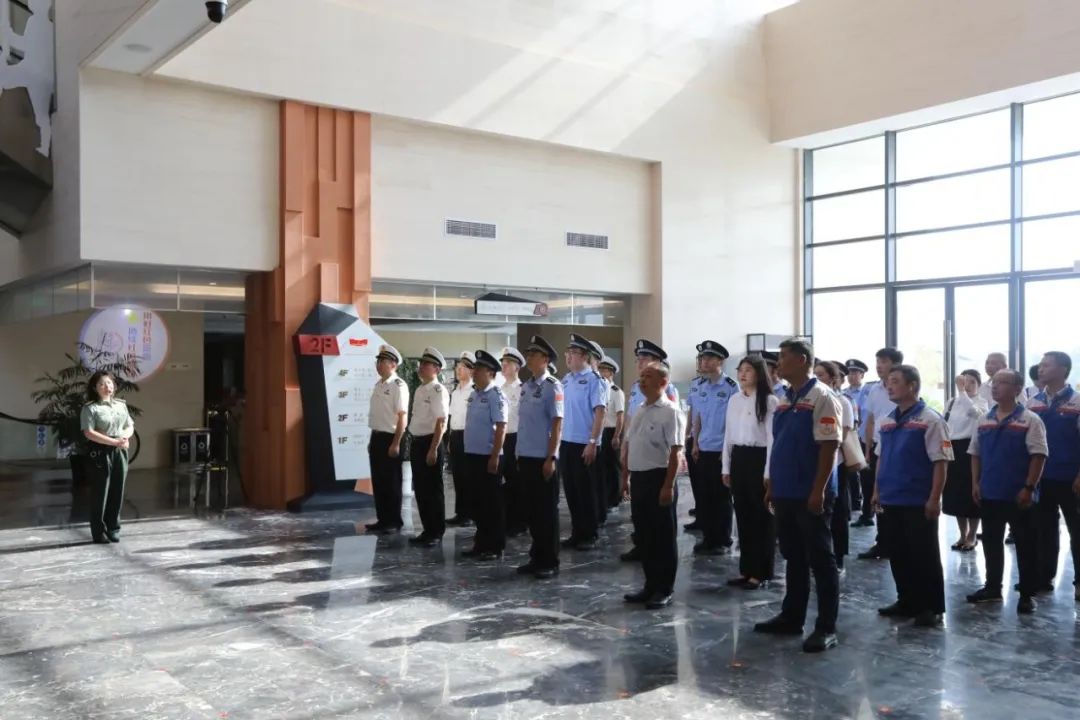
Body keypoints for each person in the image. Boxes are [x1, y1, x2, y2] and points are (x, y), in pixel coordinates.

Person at [754, 338, 842, 653]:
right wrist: (773, 485)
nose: (778, 363)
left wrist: (818, 490)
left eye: (783, 357)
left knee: (821, 559)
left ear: (802, 360)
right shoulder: (784, 398)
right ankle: (792, 616)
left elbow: (829, 447)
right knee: (793, 556)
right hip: (786, 490)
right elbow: (779, 444)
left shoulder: (822, 397)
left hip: (810, 492)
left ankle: (826, 627)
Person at [873, 365, 953, 628]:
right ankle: (906, 600)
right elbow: (881, 458)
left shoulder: (931, 420)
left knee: (924, 553)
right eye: (888, 381)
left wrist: (935, 498)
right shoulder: (887, 420)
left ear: (912, 386)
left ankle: (932, 607)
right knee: (898, 552)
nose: (889, 386)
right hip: (891, 496)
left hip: (917, 498)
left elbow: (941, 461)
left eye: (895, 381)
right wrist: (876, 490)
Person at [967, 369, 1048, 614]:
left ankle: (1027, 593)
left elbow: (1039, 455)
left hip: (1019, 495)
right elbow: (975, 453)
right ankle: (992, 587)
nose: (995, 386)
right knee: (991, 543)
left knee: (1025, 544)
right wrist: (975, 483)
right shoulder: (984, 419)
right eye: (995, 382)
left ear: (1017, 389)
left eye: (1003, 382)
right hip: (990, 492)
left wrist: (1029, 487)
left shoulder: (1030, 420)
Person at [621, 363, 683, 609]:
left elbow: (676, 452)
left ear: (663, 382)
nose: (642, 381)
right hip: (639, 478)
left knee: (663, 537)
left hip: (659, 478)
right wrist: (625, 477)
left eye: (648, 376)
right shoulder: (640, 408)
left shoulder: (670, 411)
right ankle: (649, 585)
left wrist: (668, 486)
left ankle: (664, 589)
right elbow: (631, 445)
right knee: (645, 535)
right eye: (641, 376)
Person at [620, 339, 679, 562]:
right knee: (642, 519)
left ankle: (662, 572)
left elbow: (673, 444)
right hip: (638, 466)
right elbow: (631, 422)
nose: (640, 364)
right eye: (638, 360)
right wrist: (624, 449)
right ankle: (642, 548)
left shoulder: (668, 395)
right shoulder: (638, 393)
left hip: (658, 470)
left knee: (661, 528)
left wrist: (669, 484)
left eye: (644, 359)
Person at [722, 354, 777, 589]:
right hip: (739, 459)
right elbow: (728, 435)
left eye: (748, 370)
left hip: (759, 459)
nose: (742, 374)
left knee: (761, 518)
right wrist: (726, 467)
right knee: (743, 516)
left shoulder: (770, 401)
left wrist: (768, 473)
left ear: (759, 373)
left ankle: (761, 572)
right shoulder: (734, 399)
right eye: (740, 370)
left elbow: (772, 440)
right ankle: (746, 569)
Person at [1029, 351, 1080, 600]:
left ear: (1063, 370)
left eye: (1047, 365)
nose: (1041, 369)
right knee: (1044, 529)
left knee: (1077, 530)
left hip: (1071, 478)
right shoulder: (1032, 402)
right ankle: (1043, 577)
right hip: (1041, 478)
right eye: (1040, 365)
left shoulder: (1077, 401)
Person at [515, 336, 564, 579]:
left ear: (545, 359)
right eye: (529, 354)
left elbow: (557, 424)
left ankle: (549, 561)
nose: (529, 358)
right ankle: (536, 557)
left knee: (546, 512)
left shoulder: (553, 386)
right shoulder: (526, 387)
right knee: (532, 511)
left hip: (543, 458)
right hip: (526, 456)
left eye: (533, 354)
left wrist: (551, 457)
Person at [690, 340, 738, 556]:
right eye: (703, 358)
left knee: (721, 497)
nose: (704, 361)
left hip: (721, 449)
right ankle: (709, 538)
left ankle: (723, 539)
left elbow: (733, 422)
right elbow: (698, 417)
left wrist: (727, 451)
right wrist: (695, 442)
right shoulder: (701, 386)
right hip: (703, 447)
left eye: (709, 358)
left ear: (721, 361)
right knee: (705, 495)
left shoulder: (731, 387)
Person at [559, 334, 607, 550]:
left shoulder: (594, 380)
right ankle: (577, 532)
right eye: (567, 353)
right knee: (571, 490)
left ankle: (589, 534)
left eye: (573, 353)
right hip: (567, 442)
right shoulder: (566, 380)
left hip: (584, 443)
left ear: (585, 356)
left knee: (585, 491)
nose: (568, 357)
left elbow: (600, 413)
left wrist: (592, 442)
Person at [855, 347, 904, 558]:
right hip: (876, 448)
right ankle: (882, 541)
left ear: (895, 364)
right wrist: (867, 451)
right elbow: (870, 421)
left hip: (896, 450)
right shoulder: (874, 389)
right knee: (877, 497)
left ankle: (896, 541)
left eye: (883, 361)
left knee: (894, 496)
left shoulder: (903, 387)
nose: (879, 366)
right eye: (877, 361)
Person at [462, 350, 509, 561]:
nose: (474, 372)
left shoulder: (496, 395)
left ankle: (495, 546)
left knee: (492, 503)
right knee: (477, 502)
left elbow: (501, 427)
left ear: (490, 372)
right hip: (472, 455)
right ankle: (481, 543)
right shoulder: (475, 394)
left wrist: (495, 455)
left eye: (479, 369)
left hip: (488, 456)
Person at [80, 371, 135, 544]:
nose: (107, 387)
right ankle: (98, 532)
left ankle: (113, 528)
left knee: (117, 491)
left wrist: (124, 438)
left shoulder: (121, 405)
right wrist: (114, 442)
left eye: (109, 383)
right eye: (102, 384)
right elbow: (89, 432)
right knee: (100, 492)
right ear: (95, 388)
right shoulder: (90, 408)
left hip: (119, 450)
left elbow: (129, 425)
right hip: (100, 452)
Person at [408, 347, 450, 547]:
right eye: (422, 363)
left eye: (427, 364)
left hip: (430, 442)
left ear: (437, 369)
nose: (422, 366)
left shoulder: (437, 390)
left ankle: (436, 532)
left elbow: (441, 422)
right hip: (417, 442)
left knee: (433, 490)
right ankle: (427, 530)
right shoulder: (419, 389)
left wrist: (433, 449)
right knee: (421, 489)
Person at [815, 360, 854, 572]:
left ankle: (838, 557)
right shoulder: (813, 399)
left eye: (821, 375)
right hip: (815, 462)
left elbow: (843, 435)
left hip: (836, 463)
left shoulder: (843, 402)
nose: (817, 379)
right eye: (815, 375)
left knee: (837, 513)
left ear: (833, 378)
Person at [366, 344, 409, 535]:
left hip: (391, 438)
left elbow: (402, 417)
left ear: (393, 364)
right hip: (377, 436)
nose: (378, 364)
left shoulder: (398, 385)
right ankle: (383, 519)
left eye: (382, 361)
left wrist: (396, 443)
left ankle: (394, 521)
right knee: (379, 481)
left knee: (392, 482)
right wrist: (372, 440)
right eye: (378, 361)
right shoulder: (379, 384)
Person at [942, 369, 986, 552]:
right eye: (964, 381)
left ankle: (972, 535)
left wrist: (962, 392)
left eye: (972, 382)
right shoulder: (952, 402)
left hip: (970, 449)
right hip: (952, 448)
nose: (967, 385)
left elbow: (976, 415)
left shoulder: (981, 402)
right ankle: (962, 533)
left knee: (971, 493)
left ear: (979, 385)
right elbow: (945, 425)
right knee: (956, 494)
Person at [446, 352, 476, 527]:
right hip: (456, 435)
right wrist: (450, 439)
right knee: (457, 476)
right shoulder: (456, 392)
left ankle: (470, 514)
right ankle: (460, 512)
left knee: (468, 477)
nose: (458, 370)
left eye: (463, 367)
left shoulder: (474, 391)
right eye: (458, 367)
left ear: (471, 371)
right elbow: (452, 417)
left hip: (468, 435)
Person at [500, 347, 526, 536]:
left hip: (517, 438)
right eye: (503, 363)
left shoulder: (522, 389)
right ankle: (507, 520)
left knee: (517, 482)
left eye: (508, 363)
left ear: (517, 367)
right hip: (502, 438)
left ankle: (519, 522)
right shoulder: (500, 390)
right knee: (505, 481)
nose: (504, 366)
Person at [585, 339, 612, 528]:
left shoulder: (599, 382)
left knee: (596, 480)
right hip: (582, 437)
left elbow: (601, 411)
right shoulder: (571, 380)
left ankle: (598, 515)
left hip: (596, 437)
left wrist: (593, 440)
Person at [844, 358, 871, 513]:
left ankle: (867, 506)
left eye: (855, 373)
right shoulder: (843, 393)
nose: (851, 376)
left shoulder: (868, 393)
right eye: (849, 373)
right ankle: (854, 502)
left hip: (863, 436)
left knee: (865, 473)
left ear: (862, 375)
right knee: (851, 471)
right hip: (849, 437)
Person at [599, 356, 626, 509]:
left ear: (611, 373)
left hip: (612, 431)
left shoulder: (616, 392)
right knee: (602, 466)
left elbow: (620, 415)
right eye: (600, 369)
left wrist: (616, 435)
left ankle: (615, 498)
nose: (601, 372)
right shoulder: (599, 389)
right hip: (600, 431)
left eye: (604, 370)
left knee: (613, 466)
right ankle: (605, 497)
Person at [685, 354, 707, 527]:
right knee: (695, 478)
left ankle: (705, 515)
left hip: (709, 439)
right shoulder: (695, 384)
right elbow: (691, 411)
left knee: (706, 482)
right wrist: (686, 434)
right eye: (699, 360)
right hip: (694, 436)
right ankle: (700, 511)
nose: (700, 363)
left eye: (704, 360)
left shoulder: (727, 385)